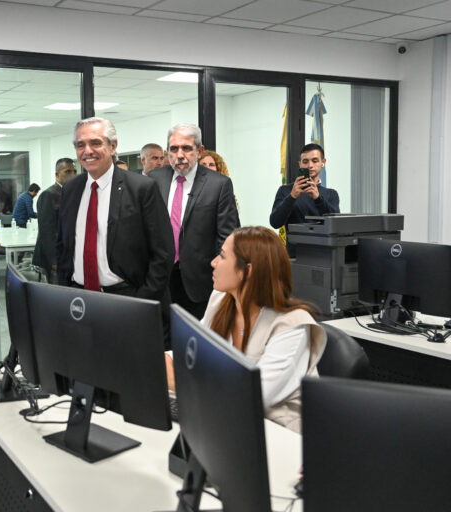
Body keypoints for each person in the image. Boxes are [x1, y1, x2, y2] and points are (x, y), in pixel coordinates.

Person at [166, 226, 326, 433]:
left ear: (247, 271)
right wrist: (168, 362)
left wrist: (178, 379)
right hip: (227, 423)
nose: (213, 262)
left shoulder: (292, 325)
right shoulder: (222, 300)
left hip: (280, 436)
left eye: (222, 256)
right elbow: (190, 351)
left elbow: (250, 396)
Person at [56, 116, 174, 311]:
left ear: (113, 146)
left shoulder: (141, 188)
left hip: (127, 299)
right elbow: (63, 246)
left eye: (95, 143)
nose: (87, 151)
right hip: (78, 300)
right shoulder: (70, 189)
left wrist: (143, 300)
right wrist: (65, 288)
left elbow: (163, 252)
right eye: (80, 145)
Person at [149, 123, 240, 319]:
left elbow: (227, 236)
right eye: (173, 149)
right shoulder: (154, 179)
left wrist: (222, 278)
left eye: (186, 148)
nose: (180, 155)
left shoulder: (218, 184)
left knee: (194, 343)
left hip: (200, 282)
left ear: (199, 151)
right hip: (159, 280)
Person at [269, 143, 340, 258]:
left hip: (324, 257)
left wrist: (318, 198)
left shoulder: (331, 194)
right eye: (305, 162)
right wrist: (292, 196)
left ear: (323, 162)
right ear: (300, 164)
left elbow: (336, 225)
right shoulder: (286, 191)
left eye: (315, 160)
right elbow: (275, 222)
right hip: (294, 257)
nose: (310, 165)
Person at [32, 157, 76, 283]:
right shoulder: (49, 194)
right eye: (68, 172)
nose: (72, 175)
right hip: (55, 257)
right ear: (57, 174)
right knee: (58, 295)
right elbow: (46, 230)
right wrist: (54, 260)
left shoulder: (73, 193)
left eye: (74, 171)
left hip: (69, 254)